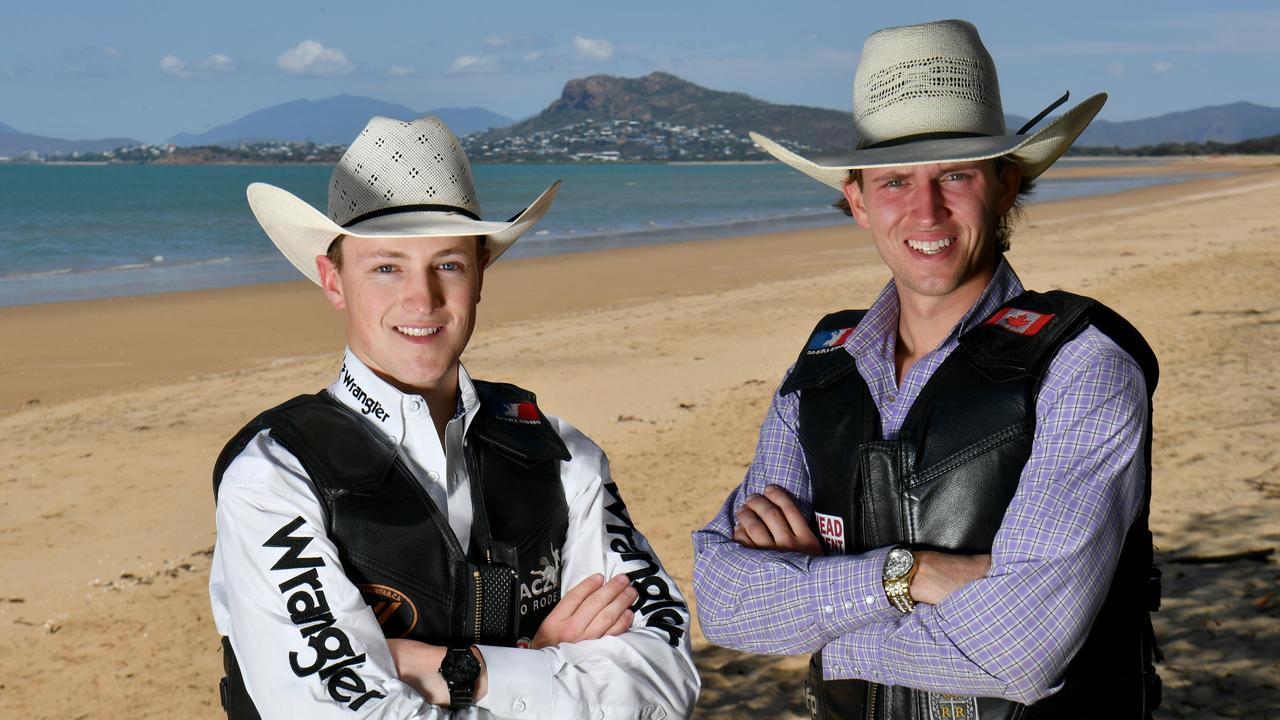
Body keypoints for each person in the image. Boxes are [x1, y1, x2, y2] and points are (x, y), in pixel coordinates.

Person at [692, 19, 1161, 719]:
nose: (926, 210)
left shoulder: (1083, 364)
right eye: (893, 182)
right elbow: (725, 603)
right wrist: (908, 575)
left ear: (1006, 186)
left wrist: (823, 618)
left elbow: (1020, 652)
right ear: (856, 201)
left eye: (955, 175)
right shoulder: (823, 371)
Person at [209, 115, 698, 719]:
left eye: (448, 265)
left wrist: (463, 671)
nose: (423, 300)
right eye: (386, 267)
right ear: (333, 281)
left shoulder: (564, 456)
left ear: (480, 275)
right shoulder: (275, 476)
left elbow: (666, 682)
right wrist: (544, 659)